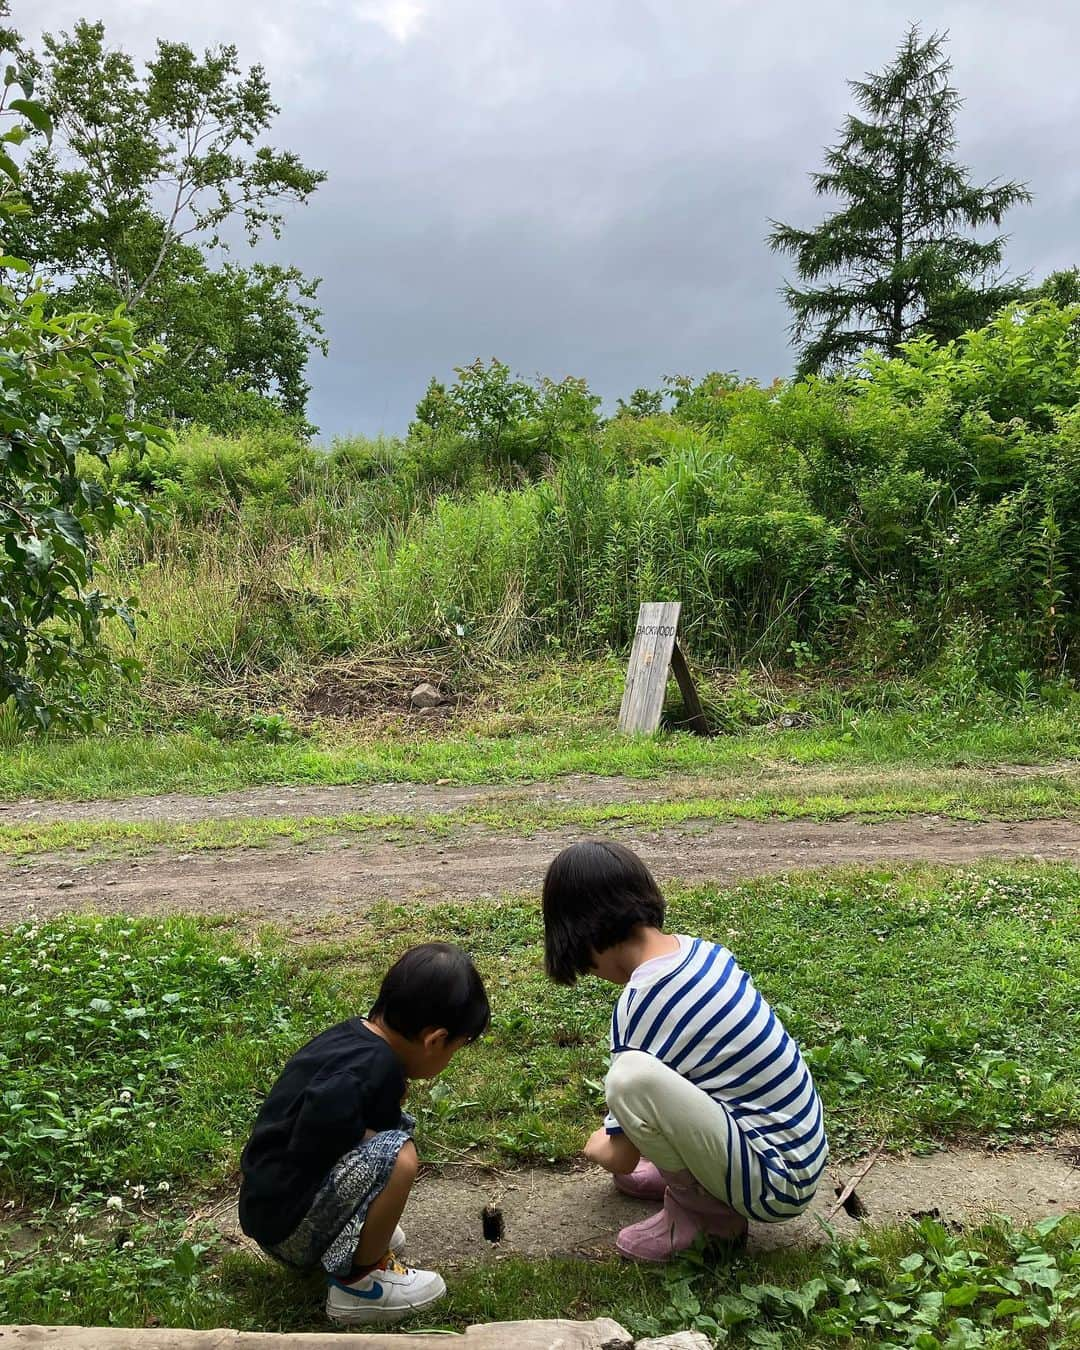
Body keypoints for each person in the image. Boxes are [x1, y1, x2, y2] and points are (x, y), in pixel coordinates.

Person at [542, 840, 827, 1261]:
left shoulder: (642, 1001)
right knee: (648, 1079)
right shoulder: (700, 952)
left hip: (773, 1183)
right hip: (799, 1151)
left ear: (580, 935)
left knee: (629, 1078)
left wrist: (596, 1145)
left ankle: (707, 1217)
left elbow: (619, 1156)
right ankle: (700, 1175)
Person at [238, 942, 490, 1325]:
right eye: (453, 1049)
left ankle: (352, 1237)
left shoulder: (355, 1038)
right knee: (398, 1156)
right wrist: (371, 1140)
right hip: (285, 1228)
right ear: (434, 1040)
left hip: (269, 1209)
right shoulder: (374, 1067)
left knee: (391, 1136)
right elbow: (317, 1131)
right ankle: (360, 1284)